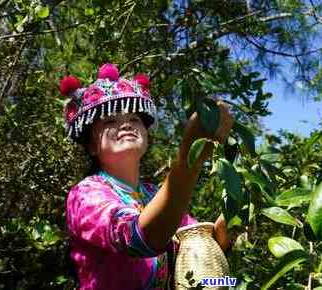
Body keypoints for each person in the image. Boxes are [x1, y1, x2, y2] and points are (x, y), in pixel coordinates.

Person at [61, 63, 233, 290]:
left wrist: (236, 213)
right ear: (92, 145)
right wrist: (190, 159)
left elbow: (203, 243)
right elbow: (137, 238)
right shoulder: (85, 194)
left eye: (134, 119)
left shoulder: (153, 193)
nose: (126, 125)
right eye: (110, 121)